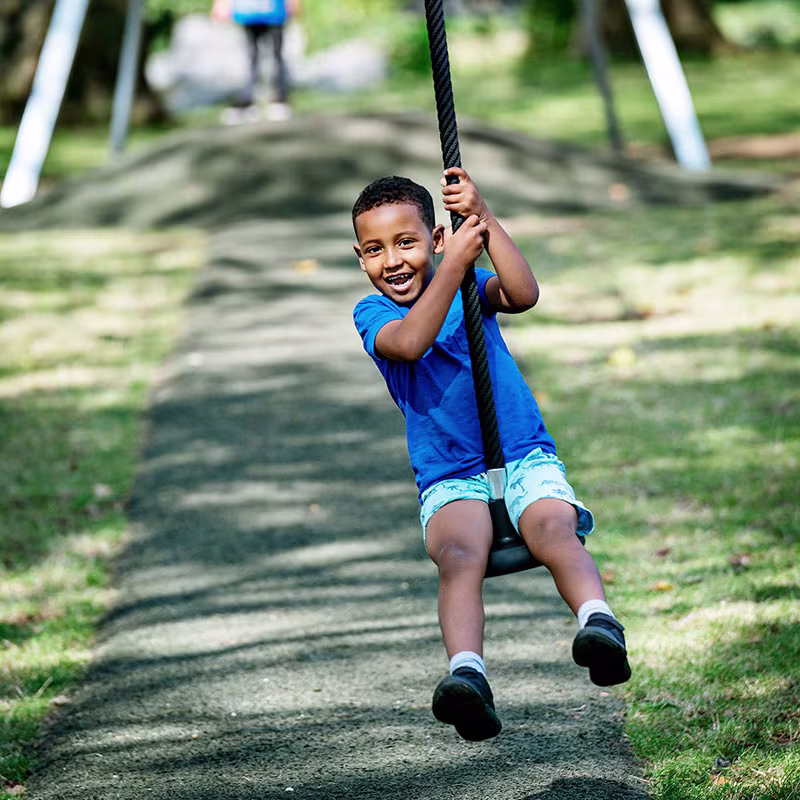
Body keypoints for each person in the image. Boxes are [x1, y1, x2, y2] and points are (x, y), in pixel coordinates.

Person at [352, 168, 631, 742]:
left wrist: (483, 217)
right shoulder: (373, 314)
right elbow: (410, 344)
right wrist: (452, 266)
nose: (393, 260)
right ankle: (467, 679)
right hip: (450, 473)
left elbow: (524, 293)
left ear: (435, 237)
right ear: (360, 259)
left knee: (555, 529)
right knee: (458, 556)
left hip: (523, 452)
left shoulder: (472, 286)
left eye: (407, 242)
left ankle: (598, 625)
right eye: (376, 249)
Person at [211, 0, 300, 122]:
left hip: (275, 10)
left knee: (276, 55)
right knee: (251, 56)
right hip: (250, 10)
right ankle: (248, 101)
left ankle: (280, 99)